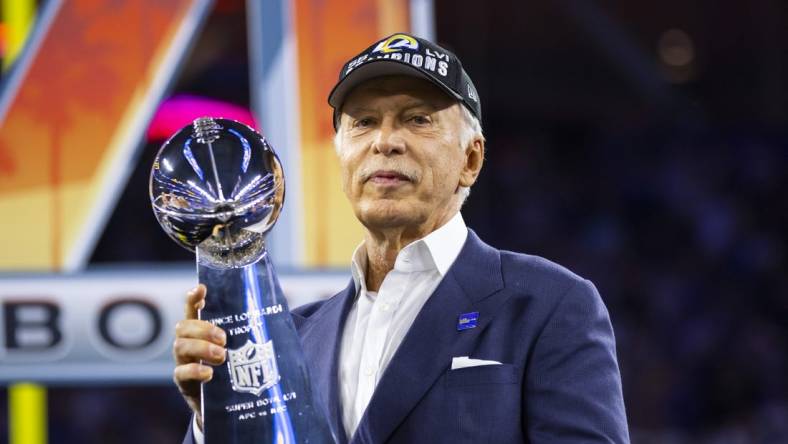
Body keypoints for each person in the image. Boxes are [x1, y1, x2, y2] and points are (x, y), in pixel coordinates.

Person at [174, 32, 629, 443]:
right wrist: (214, 418)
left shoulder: (550, 304)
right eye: (364, 122)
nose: (385, 142)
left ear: (471, 159)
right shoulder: (294, 337)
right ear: (342, 158)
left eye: (417, 119)